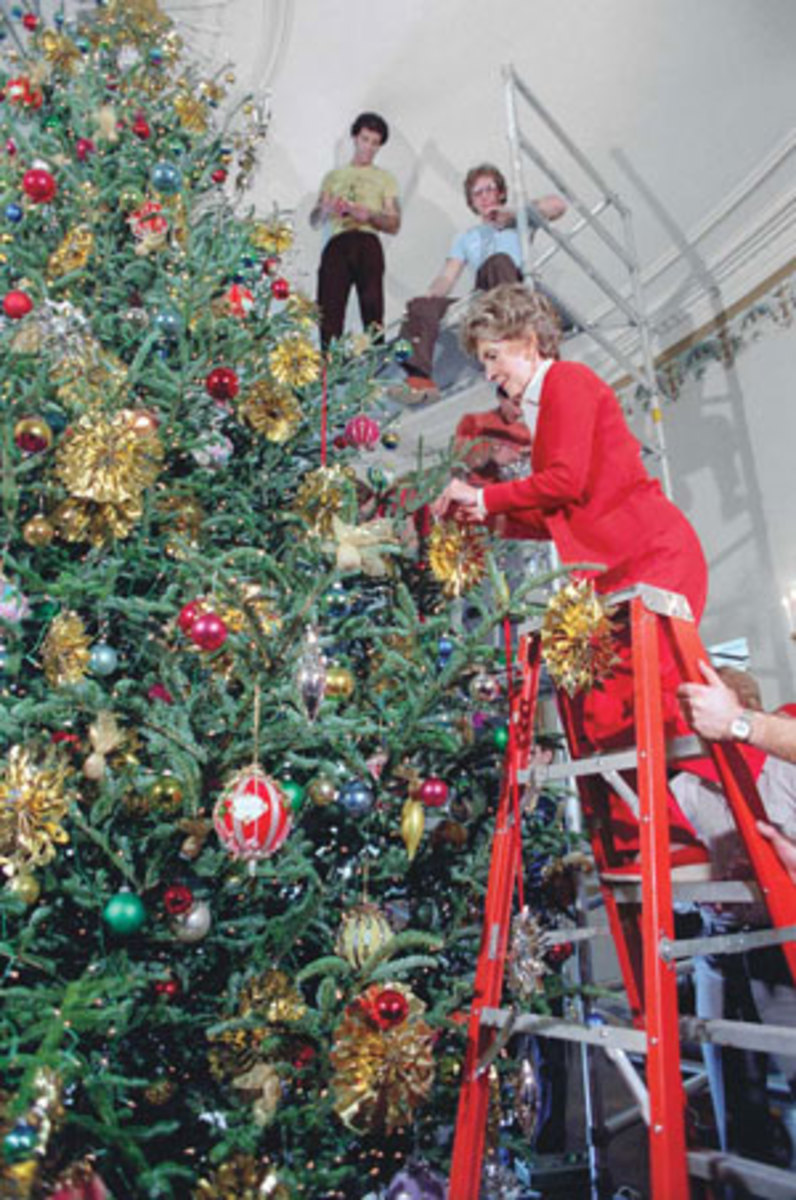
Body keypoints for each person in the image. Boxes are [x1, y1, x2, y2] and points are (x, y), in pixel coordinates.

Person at [432, 283, 710, 870]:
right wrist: (482, 517)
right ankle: (638, 845)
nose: (489, 374)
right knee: (601, 711)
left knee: (648, 706)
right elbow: (558, 510)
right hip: (611, 575)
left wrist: (484, 499)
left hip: (652, 557)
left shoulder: (569, 382)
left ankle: (686, 836)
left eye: (492, 356)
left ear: (529, 342)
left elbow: (564, 482)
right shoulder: (545, 404)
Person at [671, 668, 796, 1161]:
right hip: (716, 953)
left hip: (782, 947)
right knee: (734, 1107)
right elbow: (669, 877)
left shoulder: (784, 769)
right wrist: (702, 893)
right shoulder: (685, 787)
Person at [397, 164, 566, 399]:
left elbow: (558, 205)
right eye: (478, 193)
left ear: (500, 193)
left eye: (489, 189)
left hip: (511, 283)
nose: (485, 196)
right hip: (483, 293)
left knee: (498, 261)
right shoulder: (467, 237)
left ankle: (518, 346)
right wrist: (431, 293)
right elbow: (447, 276)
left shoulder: (519, 220)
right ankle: (419, 378)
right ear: (472, 201)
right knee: (418, 306)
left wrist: (514, 213)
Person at [310, 112, 401, 349]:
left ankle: (376, 365)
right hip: (338, 242)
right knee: (328, 309)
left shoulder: (385, 178)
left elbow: (393, 224)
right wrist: (327, 207)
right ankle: (329, 369)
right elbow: (315, 220)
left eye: (375, 143)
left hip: (367, 241)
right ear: (355, 137)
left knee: (372, 307)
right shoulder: (333, 177)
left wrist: (369, 215)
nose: (368, 147)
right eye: (365, 139)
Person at [453, 385, 532, 487]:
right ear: (501, 399)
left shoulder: (526, 431)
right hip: (480, 493)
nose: (520, 412)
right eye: (516, 404)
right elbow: (457, 459)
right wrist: (491, 452)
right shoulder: (474, 422)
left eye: (524, 406)